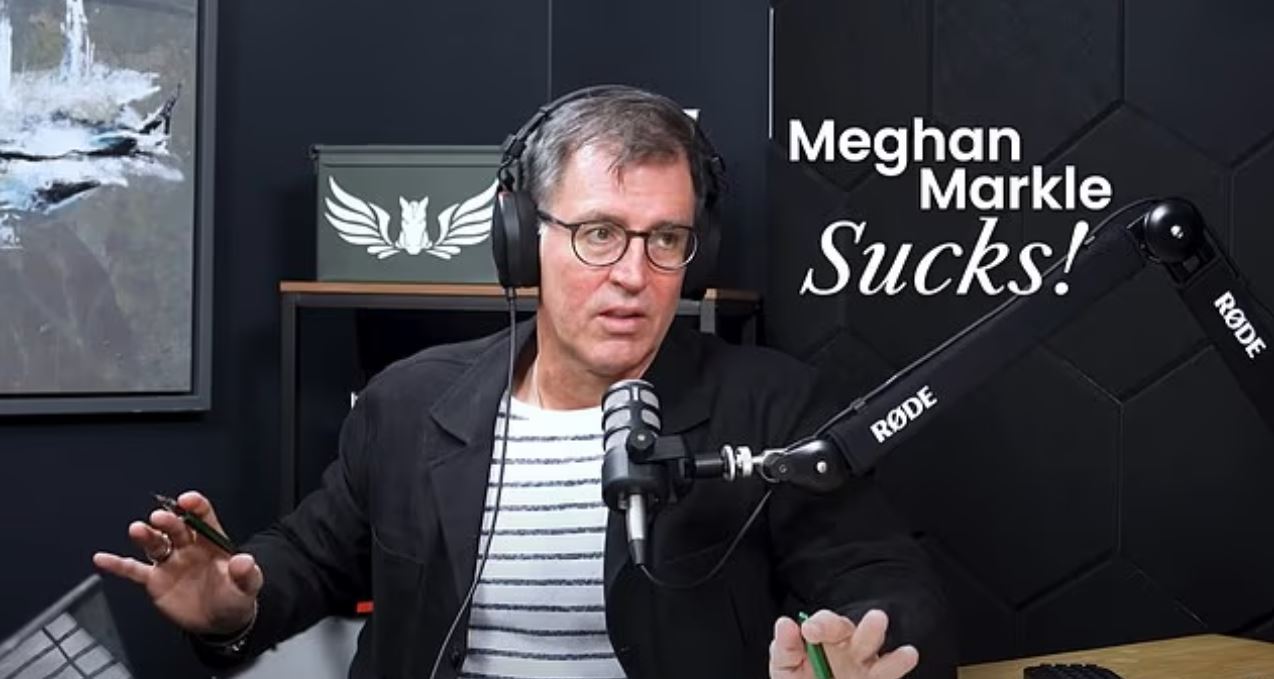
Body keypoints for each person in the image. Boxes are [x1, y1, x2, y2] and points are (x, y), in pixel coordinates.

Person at [93, 86, 956, 679]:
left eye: (665, 239)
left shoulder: (771, 408)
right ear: (519, 239)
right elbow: (306, 558)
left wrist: (865, 646)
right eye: (599, 233)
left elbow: (888, 582)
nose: (634, 275)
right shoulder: (407, 403)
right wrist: (230, 609)